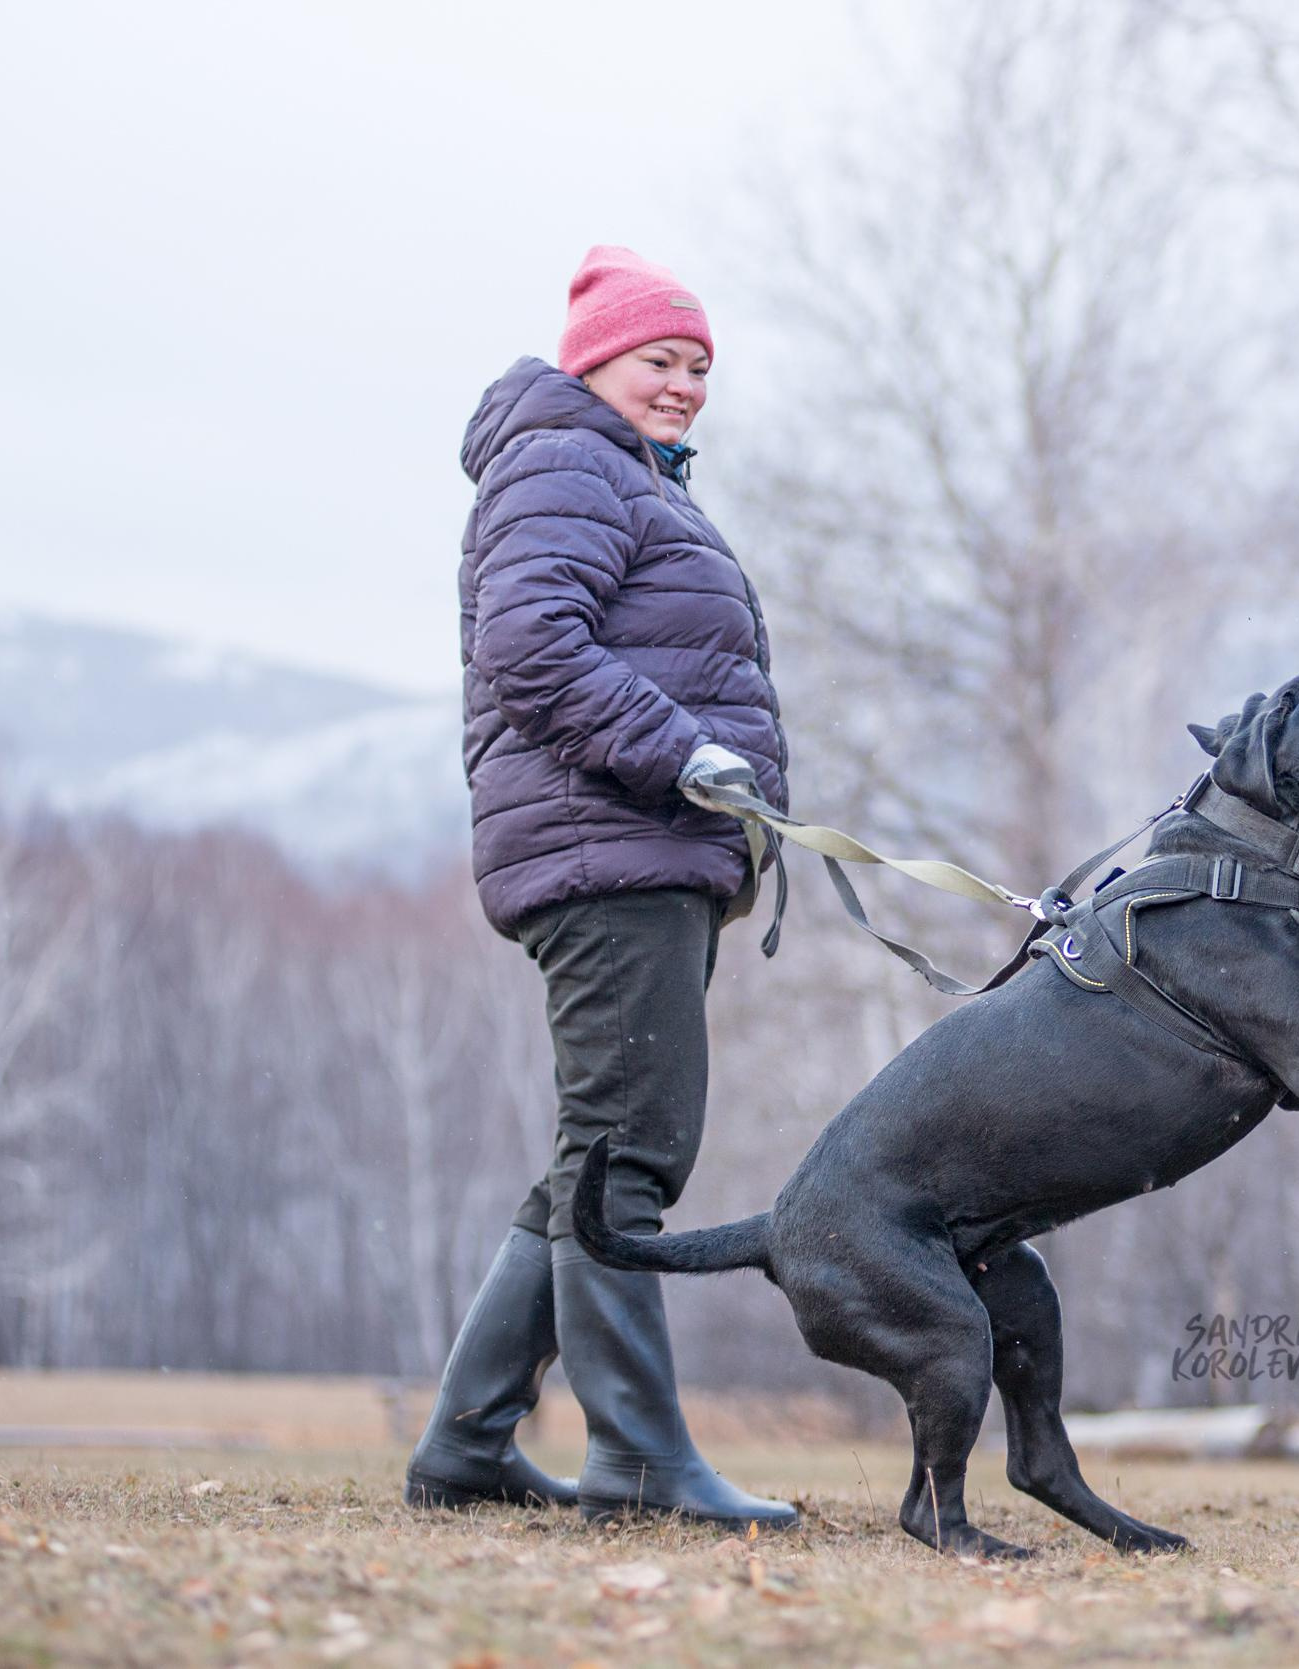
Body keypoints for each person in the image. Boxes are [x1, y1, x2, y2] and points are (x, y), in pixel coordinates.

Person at [402, 246, 798, 1528]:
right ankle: (635, 1457)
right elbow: (530, 645)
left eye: (697, 367)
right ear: (593, 364)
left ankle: (467, 1445)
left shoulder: (621, 474)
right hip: (606, 852)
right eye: (658, 361)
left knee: (598, 1152)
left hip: (641, 854)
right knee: (628, 1156)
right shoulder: (564, 460)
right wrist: (684, 751)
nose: (683, 385)